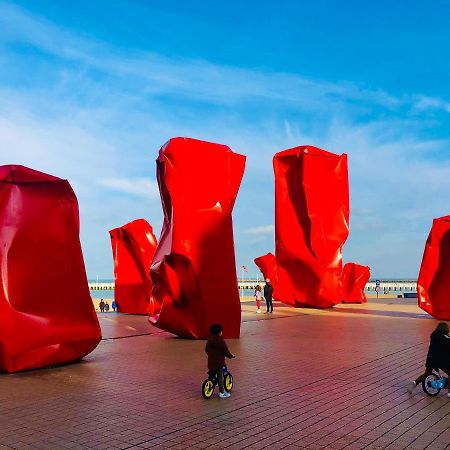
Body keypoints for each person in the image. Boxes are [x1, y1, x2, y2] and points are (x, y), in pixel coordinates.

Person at [407, 322, 450, 397]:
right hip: (441, 361)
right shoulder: (445, 338)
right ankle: (449, 391)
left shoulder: (434, 335)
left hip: (431, 359)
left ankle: (414, 383)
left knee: (427, 373)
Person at [205, 324, 235, 399]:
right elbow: (225, 350)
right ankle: (222, 392)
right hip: (219, 362)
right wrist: (230, 356)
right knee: (220, 377)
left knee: (212, 374)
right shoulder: (220, 340)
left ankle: (210, 383)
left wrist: (211, 355)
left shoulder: (210, 339)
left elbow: (207, 349)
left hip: (211, 361)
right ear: (219, 332)